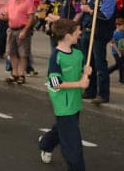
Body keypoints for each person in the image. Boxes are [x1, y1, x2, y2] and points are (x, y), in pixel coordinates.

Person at [38, 19, 91, 171]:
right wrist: (80, 84)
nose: (80, 33)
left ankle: (46, 144)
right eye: (76, 32)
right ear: (68, 36)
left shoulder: (79, 53)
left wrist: (85, 72)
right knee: (72, 142)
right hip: (63, 104)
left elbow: (80, 71)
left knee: (62, 129)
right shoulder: (56, 57)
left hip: (75, 101)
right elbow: (55, 83)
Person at [79, 0, 116, 104]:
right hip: (87, 32)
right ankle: (90, 91)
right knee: (89, 63)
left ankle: (103, 94)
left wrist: (89, 10)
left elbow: (106, 15)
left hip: (99, 34)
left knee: (100, 64)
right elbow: (85, 15)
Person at [4, 0, 35, 84]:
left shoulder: (28, 2)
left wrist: (25, 30)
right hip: (11, 29)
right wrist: (4, 16)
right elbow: (7, 16)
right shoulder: (10, 2)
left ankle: (22, 75)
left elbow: (31, 18)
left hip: (22, 29)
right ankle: (14, 74)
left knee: (23, 53)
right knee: (11, 52)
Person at [108, 17, 124, 85]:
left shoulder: (122, 32)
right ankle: (122, 79)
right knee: (122, 65)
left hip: (121, 51)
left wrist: (122, 52)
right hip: (117, 52)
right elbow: (112, 43)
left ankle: (106, 72)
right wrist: (118, 52)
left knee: (118, 65)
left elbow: (122, 43)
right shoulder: (115, 34)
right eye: (123, 26)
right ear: (117, 26)